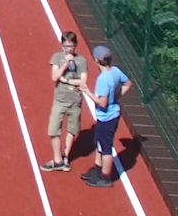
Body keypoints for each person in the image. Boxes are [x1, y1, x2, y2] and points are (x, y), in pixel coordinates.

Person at [84, 45, 134, 187]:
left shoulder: (103, 79)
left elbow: (103, 103)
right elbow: (128, 83)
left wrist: (87, 92)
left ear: (96, 60)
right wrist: (117, 97)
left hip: (106, 118)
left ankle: (105, 177)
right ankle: (97, 169)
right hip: (113, 115)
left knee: (105, 147)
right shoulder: (115, 71)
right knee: (99, 142)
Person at [41, 31, 88, 172]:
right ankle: (57, 159)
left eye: (71, 46)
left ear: (76, 45)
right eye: (66, 46)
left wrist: (67, 80)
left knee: (72, 130)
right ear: (62, 45)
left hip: (75, 101)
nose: (69, 49)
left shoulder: (82, 61)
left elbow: (84, 81)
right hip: (60, 101)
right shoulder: (57, 58)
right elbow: (54, 77)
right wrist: (65, 65)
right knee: (53, 130)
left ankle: (66, 157)